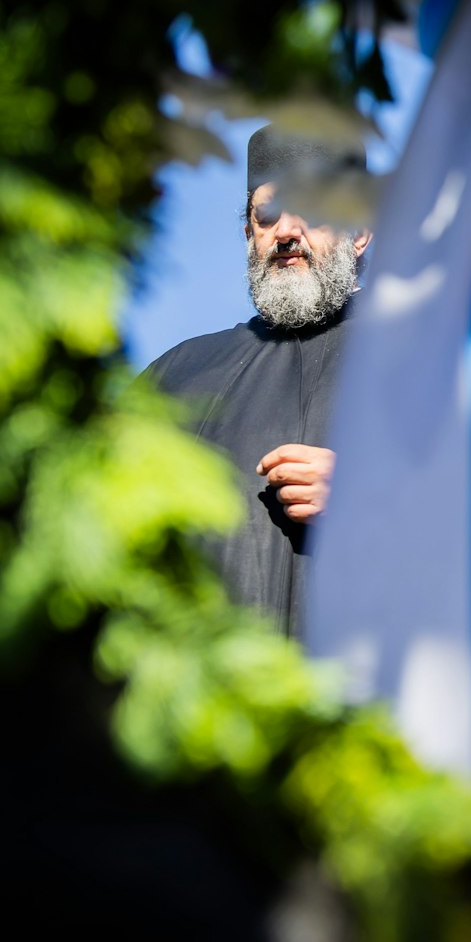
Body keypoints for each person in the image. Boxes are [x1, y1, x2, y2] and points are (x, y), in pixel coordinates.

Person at [144, 124, 371, 634]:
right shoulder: (177, 378)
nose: (285, 232)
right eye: (267, 214)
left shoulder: (433, 364)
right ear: (249, 233)